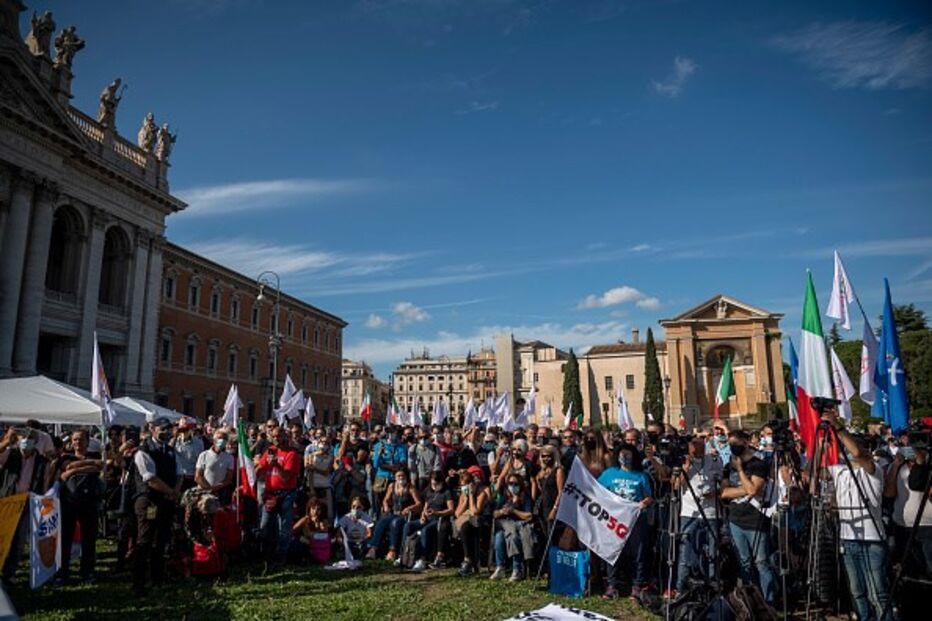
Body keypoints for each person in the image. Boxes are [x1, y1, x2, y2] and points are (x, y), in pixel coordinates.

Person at [820, 410, 896, 620]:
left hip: (871, 539)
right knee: (857, 592)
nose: (850, 452)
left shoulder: (874, 469)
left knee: (877, 592)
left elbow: (860, 455)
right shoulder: (839, 470)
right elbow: (813, 474)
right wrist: (820, 446)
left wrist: (838, 427)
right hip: (848, 537)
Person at [720, 429, 776, 605]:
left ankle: (769, 601)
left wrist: (740, 471)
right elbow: (724, 492)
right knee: (744, 562)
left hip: (756, 520)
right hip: (736, 519)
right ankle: (750, 600)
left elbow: (754, 490)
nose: (732, 448)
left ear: (745, 443)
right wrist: (744, 489)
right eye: (730, 444)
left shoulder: (758, 464)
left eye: (735, 444)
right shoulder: (727, 466)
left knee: (762, 562)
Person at [131, 418, 182, 597]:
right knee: (145, 541)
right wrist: (171, 491)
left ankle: (158, 577)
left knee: (161, 540)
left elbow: (179, 473)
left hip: (166, 500)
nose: (166, 432)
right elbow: (150, 478)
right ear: (153, 429)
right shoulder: (144, 451)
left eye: (169, 429)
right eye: (163, 429)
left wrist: (174, 491)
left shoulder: (170, 450)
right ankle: (138, 582)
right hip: (149, 501)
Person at [598, 444, 654, 600]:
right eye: (622, 454)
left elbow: (649, 497)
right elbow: (597, 492)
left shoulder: (641, 476)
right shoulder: (609, 474)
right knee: (613, 553)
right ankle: (612, 585)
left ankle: (637, 586)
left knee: (638, 553)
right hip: (614, 521)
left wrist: (644, 503)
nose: (625, 457)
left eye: (628, 454)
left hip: (637, 521)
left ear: (634, 456)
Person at [669, 438, 722, 599]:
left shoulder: (714, 460)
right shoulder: (682, 462)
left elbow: (722, 481)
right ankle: (680, 588)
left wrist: (715, 492)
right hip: (689, 513)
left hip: (710, 512)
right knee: (685, 551)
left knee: (712, 551)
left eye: (699, 445)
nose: (695, 449)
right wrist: (687, 466)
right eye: (693, 445)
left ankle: (712, 587)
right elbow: (676, 486)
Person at [56, 430, 103, 584]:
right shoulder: (65, 456)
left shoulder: (95, 456)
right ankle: (63, 572)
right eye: (75, 439)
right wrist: (81, 466)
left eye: (81, 440)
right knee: (65, 539)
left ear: (88, 442)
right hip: (69, 503)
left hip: (89, 503)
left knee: (89, 539)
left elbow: (99, 467)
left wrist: (74, 469)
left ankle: (87, 571)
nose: (77, 442)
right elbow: (65, 469)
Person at [254, 425, 301, 560]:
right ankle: (265, 555)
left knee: (284, 528)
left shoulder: (292, 454)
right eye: (273, 437)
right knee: (265, 525)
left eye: (279, 436)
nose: (276, 439)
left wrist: (276, 465)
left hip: (287, 494)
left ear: (285, 436)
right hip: (270, 494)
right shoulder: (270, 451)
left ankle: (281, 557)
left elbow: (286, 477)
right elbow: (259, 470)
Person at [368, 468, 421, 563]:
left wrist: (410, 508)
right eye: (398, 476)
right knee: (382, 521)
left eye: (402, 476)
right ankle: (373, 548)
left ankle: (393, 550)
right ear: (395, 477)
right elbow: (385, 500)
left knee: (395, 523)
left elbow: (419, 504)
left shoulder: (410, 488)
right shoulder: (392, 486)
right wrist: (385, 505)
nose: (401, 478)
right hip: (394, 513)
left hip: (405, 515)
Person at [405, 471, 455, 571]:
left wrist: (437, 513)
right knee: (408, 525)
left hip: (438, 519)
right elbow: (425, 505)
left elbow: (451, 509)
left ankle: (423, 559)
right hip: (427, 518)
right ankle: (404, 554)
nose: (434, 486)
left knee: (425, 530)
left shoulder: (446, 492)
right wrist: (423, 515)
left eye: (436, 484)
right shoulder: (428, 490)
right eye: (433, 484)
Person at [491, 474, 535, 581]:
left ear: (520, 485)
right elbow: (495, 513)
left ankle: (517, 569)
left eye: (516, 484)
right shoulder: (504, 497)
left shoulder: (525, 497)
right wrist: (502, 511)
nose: (513, 486)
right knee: (499, 536)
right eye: (510, 483)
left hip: (520, 526)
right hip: (505, 525)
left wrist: (514, 511)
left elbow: (529, 516)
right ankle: (500, 567)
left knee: (513, 536)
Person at [455, 469, 492, 576]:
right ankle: (468, 560)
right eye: (463, 486)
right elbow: (457, 513)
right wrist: (465, 499)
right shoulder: (463, 494)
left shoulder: (481, 492)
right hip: (469, 522)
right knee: (464, 527)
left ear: (472, 484)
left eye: (467, 485)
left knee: (467, 527)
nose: (465, 488)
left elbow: (476, 511)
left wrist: (471, 496)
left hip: (482, 521)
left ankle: (469, 561)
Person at [372, 428, 408, 511]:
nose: (391, 435)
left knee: (392, 501)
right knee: (378, 502)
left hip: (394, 477)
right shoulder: (379, 445)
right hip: (381, 478)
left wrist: (394, 467)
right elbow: (375, 464)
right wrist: (379, 454)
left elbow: (403, 460)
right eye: (389, 433)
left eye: (393, 432)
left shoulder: (401, 447)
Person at [195, 429, 235, 504]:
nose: (222, 440)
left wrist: (216, 488)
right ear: (214, 440)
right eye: (220, 438)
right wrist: (209, 489)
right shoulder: (204, 455)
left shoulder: (229, 458)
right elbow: (198, 477)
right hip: (203, 491)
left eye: (224, 439)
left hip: (220, 492)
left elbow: (229, 478)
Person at [534, 444, 565, 530]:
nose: (546, 458)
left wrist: (554, 510)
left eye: (549, 456)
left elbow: (561, 492)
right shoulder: (541, 472)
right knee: (544, 536)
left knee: (552, 535)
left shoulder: (559, 470)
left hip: (553, 506)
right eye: (543, 456)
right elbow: (541, 489)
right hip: (542, 507)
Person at [291, 496, 331, 563]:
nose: (315, 511)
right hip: (306, 544)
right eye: (313, 508)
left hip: (319, 546)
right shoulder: (305, 519)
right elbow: (293, 530)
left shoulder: (324, 521)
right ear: (309, 509)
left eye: (318, 509)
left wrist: (318, 525)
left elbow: (325, 535)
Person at [304, 436, 334, 520]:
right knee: (312, 511)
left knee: (328, 512)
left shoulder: (331, 457)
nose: (324, 444)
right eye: (322, 442)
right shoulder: (311, 455)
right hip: (314, 486)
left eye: (327, 443)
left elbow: (326, 472)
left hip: (326, 486)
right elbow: (309, 471)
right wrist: (311, 489)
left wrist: (315, 468)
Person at [337, 495, 374, 560]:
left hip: (361, 541)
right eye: (353, 506)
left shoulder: (367, 518)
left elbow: (369, 533)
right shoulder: (347, 517)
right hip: (349, 541)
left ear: (363, 507)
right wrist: (340, 538)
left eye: (358, 507)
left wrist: (363, 539)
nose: (355, 509)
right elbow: (339, 529)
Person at [172, 419, 205, 492]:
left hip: (190, 478)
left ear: (191, 430)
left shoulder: (198, 443)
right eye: (181, 430)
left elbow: (200, 462)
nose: (183, 432)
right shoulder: (174, 441)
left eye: (186, 429)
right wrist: (174, 437)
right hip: (176, 478)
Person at [408, 427, 441, 492]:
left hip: (432, 478)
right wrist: (413, 482)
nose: (423, 439)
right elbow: (412, 467)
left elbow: (437, 465)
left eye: (425, 437)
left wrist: (434, 479)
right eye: (420, 437)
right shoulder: (413, 449)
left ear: (429, 437)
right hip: (419, 478)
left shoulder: (435, 448)